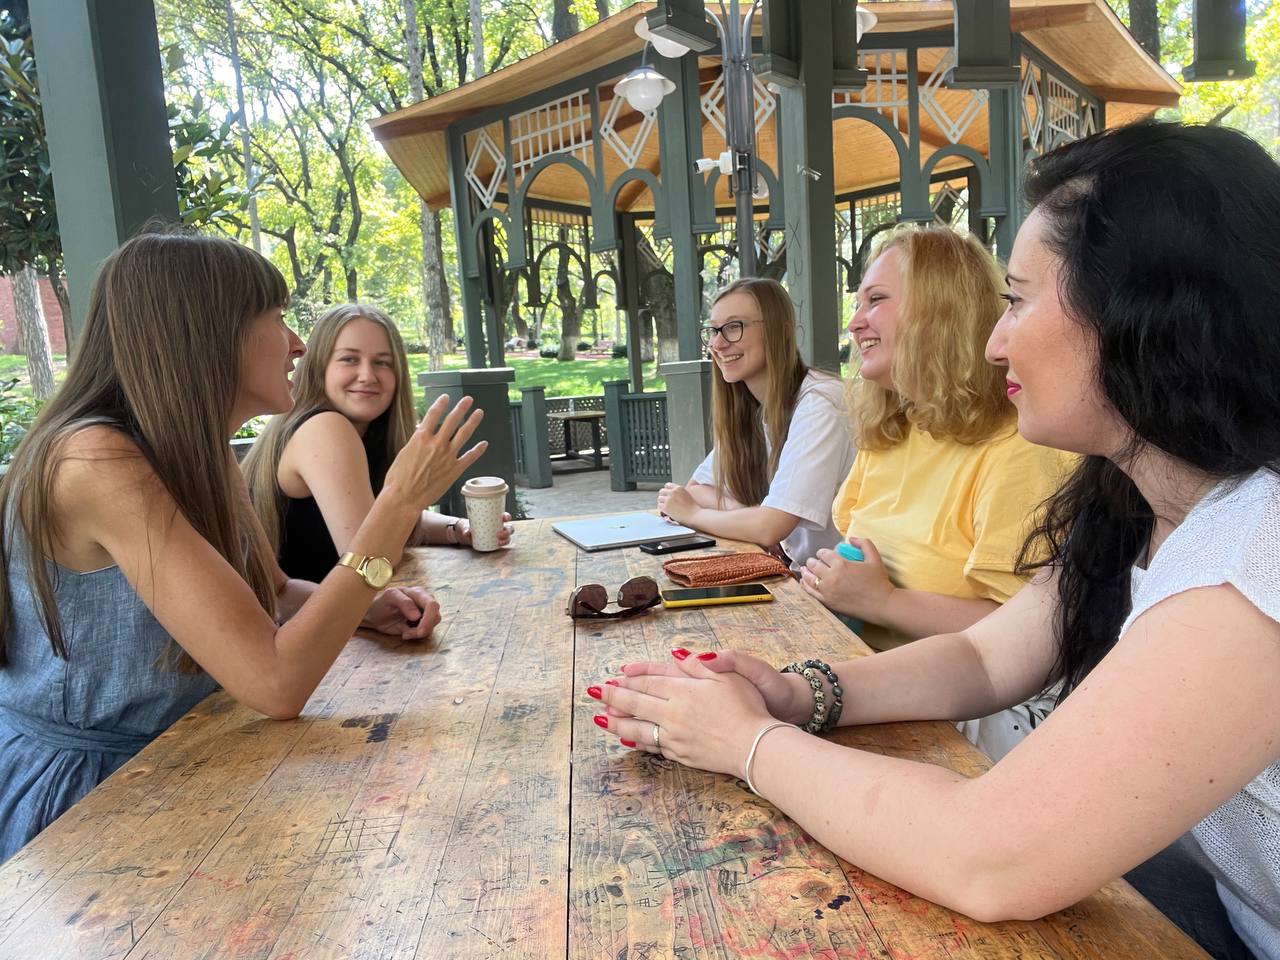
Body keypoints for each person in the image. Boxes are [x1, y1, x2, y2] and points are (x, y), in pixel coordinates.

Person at [593, 121, 1280, 960]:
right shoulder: (1136, 501)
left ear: (1144, 314)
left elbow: (990, 856)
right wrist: (800, 693)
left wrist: (747, 743)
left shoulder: (1257, 549)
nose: (996, 340)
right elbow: (987, 659)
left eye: (1018, 300)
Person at [0, 231, 486, 864]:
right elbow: (276, 683)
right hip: (91, 805)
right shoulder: (95, 461)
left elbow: (274, 593)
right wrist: (395, 504)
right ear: (209, 334)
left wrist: (366, 609)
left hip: (192, 757)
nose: (297, 344)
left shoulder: (197, 447)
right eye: (277, 319)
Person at [807, 226, 1073, 659]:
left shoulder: (1020, 447)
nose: (854, 324)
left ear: (940, 310)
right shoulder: (893, 429)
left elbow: (1029, 630)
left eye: (876, 300)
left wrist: (885, 602)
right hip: (855, 671)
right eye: (857, 305)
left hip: (945, 698)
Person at [242, 303, 510, 584]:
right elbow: (370, 566)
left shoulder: (365, 434)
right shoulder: (325, 429)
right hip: (310, 612)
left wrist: (456, 528)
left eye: (382, 362)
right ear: (319, 367)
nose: (367, 375)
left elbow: (378, 519)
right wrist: (413, 495)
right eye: (349, 359)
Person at [655, 277, 855, 568]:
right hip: (799, 574)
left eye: (733, 327)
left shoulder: (820, 404)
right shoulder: (751, 409)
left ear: (776, 330)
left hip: (839, 585)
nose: (717, 343)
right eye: (713, 330)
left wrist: (694, 515)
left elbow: (769, 527)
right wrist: (749, 513)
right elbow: (696, 490)